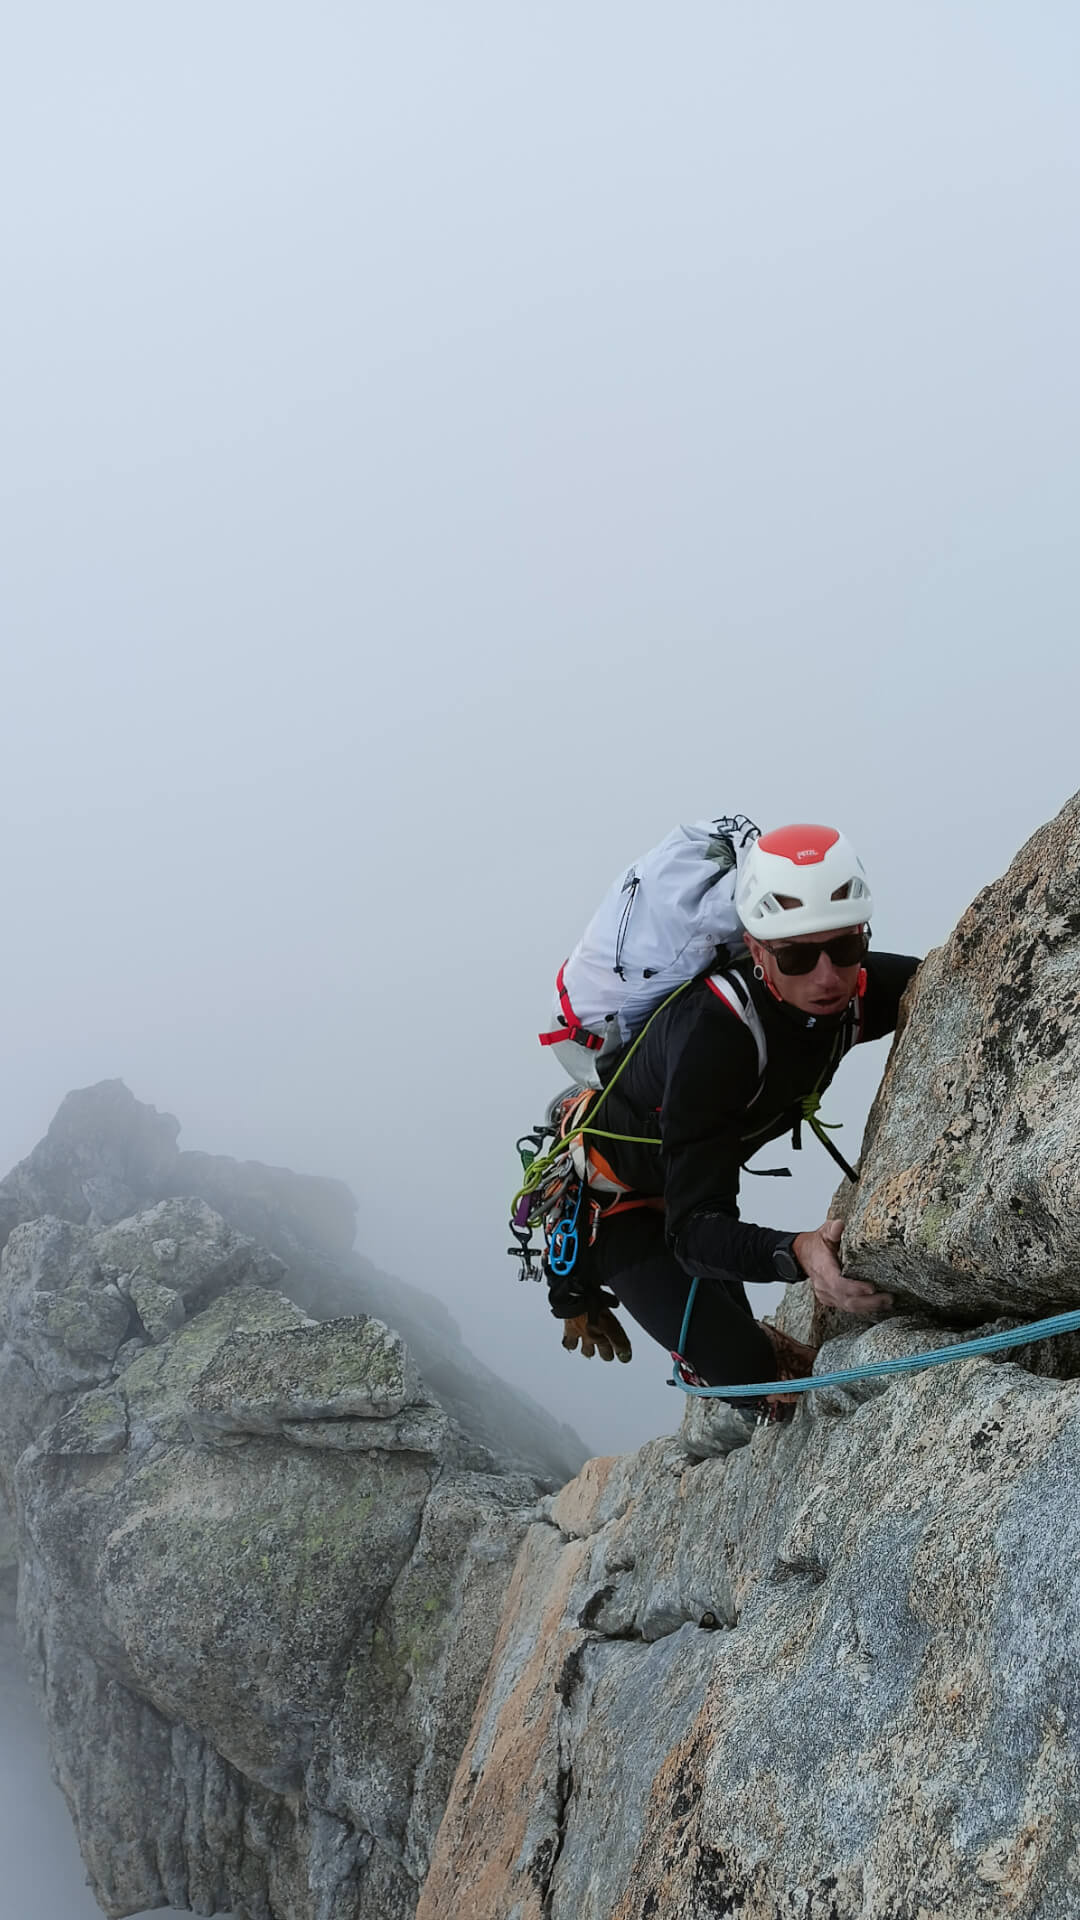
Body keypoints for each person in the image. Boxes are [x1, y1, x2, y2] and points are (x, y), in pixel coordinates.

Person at [546, 823, 920, 1396]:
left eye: (846, 948)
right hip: (615, 1206)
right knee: (755, 1378)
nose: (827, 977)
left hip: (686, 1178)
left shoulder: (857, 991)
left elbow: (960, 969)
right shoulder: (715, 1035)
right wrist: (797, 1251)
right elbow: (694, 1233)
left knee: (770, 1366)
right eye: (797, 956)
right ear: (757, 951)